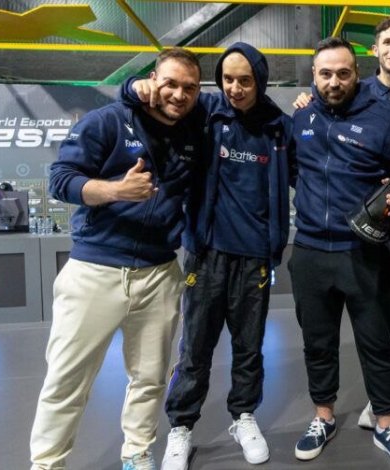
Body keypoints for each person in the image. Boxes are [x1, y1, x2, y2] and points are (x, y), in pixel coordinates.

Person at [30, 47, 204, 470]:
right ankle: (47, 463)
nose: (179, 94)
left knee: (150, 378)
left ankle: (137, 455)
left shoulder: (193, 129)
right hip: (94, 271)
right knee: (66, 379)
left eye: (189, 87)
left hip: (159, 273)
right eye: (170, 83)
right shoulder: (107, 121)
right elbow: (60, 180)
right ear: (152, 80)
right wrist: (114, 191)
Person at [121, 43, 292, 468]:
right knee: (195, 349)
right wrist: (132, 85)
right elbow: (153, 98)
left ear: (260, 81)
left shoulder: (277, 128)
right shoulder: (206, 112)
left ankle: (244, 415)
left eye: (244, 80)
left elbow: (309, 160)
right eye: (228, 79)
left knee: (249, 348)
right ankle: (181, 427)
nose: (235, 88)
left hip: (255, 258)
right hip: (207, 254)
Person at [293, 16, 390, 428]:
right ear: (314, 75)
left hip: (365, 250)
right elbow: (292, 171)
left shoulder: (382, 118)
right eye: (325, 74)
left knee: (376, 342)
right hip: (310, 251)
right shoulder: (301, 117)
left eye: (343, 73)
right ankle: (323, 417)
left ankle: (386, 422)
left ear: (357, 73)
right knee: (318, 343)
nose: (334, 82)